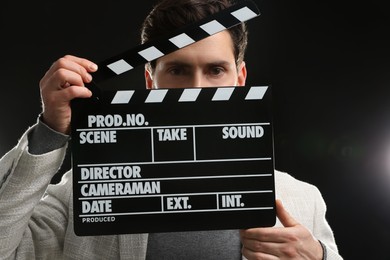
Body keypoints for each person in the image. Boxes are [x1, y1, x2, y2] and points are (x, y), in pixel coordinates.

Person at [0, 0, 343, 259]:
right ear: (151, 81)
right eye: (177, 71)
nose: (195, 89)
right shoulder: (85, 192)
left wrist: (319, 256)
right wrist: (49, 131)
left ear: (240, 79)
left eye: (215, 70)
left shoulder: (304, 200)